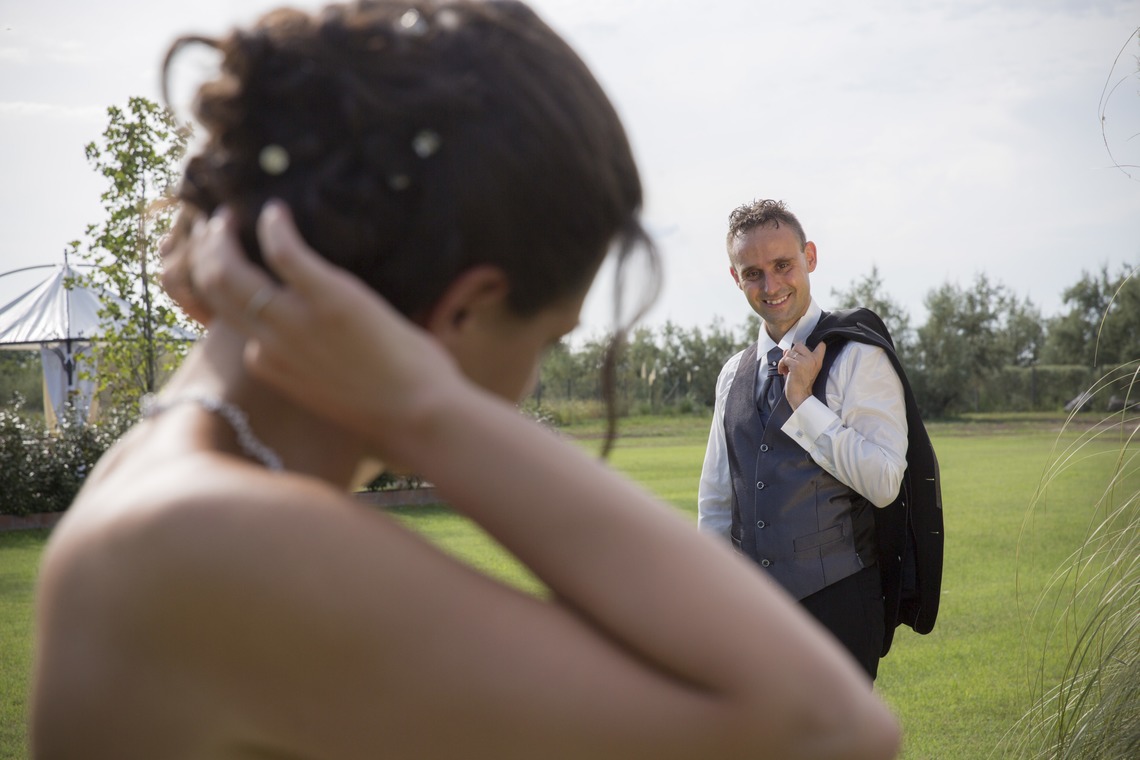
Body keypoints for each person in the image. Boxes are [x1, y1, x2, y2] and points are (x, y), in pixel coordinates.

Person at [31, 3, 900, 757]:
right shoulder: (209, 543)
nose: (518, 389)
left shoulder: (162, 481)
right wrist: (427, 407)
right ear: (465, 309)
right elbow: (830, 729)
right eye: (545, 337)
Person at [698, 199, 909, 680]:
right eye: (752, 273)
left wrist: (803, 405)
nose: (770, 286)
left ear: (809, 257)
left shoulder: (858, 356)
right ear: (735, 278)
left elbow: (883, 481)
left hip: (837, 605)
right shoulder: (732, 374)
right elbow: (716, 499)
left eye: (782, 265)